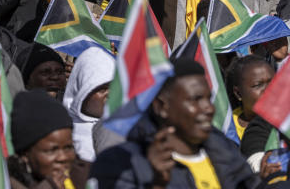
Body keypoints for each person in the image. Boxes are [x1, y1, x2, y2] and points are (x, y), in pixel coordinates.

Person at [90, 59, 261, 188]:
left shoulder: (224, 150)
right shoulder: (122, 163)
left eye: (209, 99)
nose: (209, 108)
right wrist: (155, 183)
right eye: (196, 99)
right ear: (161, 106)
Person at [10, 89, 88, 188]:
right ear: (25, 154)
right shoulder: (4, 183)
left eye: (68, 148)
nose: (63, 157)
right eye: (52, 151)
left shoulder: (87, 176)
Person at [63, 47, 115, 163]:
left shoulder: (122, 129)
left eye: (113, 87)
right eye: (102, 90)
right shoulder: (61, 133)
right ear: (82, 90)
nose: (110, 94)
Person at [227, 55, 274, 139]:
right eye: (258, 85)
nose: (268, 90)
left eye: (272, 82)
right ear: (238, 93)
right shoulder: (228, 127)